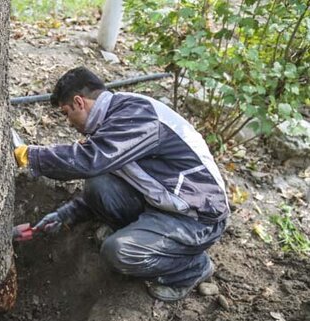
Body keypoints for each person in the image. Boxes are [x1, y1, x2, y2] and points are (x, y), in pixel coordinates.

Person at [13, 66, 229, 301]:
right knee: (98, 183)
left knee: (119, 251)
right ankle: (141, 233)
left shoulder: (137, 115)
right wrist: (66, 215)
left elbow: (89, 160)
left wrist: (29, 156)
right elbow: (105, 171)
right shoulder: (116, 118)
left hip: (197, 218)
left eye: (66, 113)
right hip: (163, 203)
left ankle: (192, 268)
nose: (67, 122)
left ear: (79, 102)